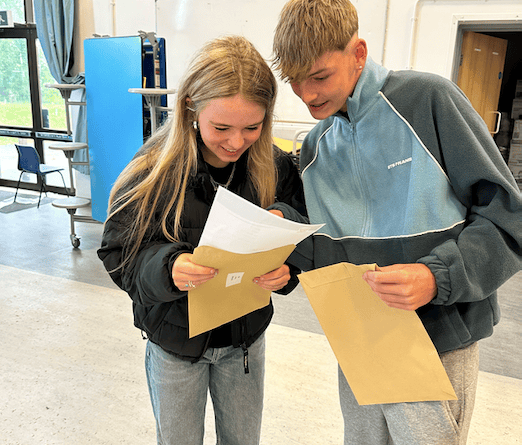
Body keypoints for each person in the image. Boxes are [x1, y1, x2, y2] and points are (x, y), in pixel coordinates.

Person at [269, 1, 522, 444]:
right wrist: (283, 234)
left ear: (359, 54)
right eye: (294, 82)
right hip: (360, 340)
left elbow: (507, 217)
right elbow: (326, 248)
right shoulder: (314, 147)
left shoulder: (429, 101)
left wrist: (435, 276)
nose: (307, 94)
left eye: (320, 76)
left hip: (437, 338)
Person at [97, 35, 304, 445]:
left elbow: (301, 236)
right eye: (221, 127)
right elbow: (119, 254)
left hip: (244, 341)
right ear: (191, 107)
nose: (235, 142)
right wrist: (169, 268)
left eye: (252, 127)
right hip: (175, 343)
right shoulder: (153, 171)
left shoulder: (275, 167)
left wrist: (287, 271)